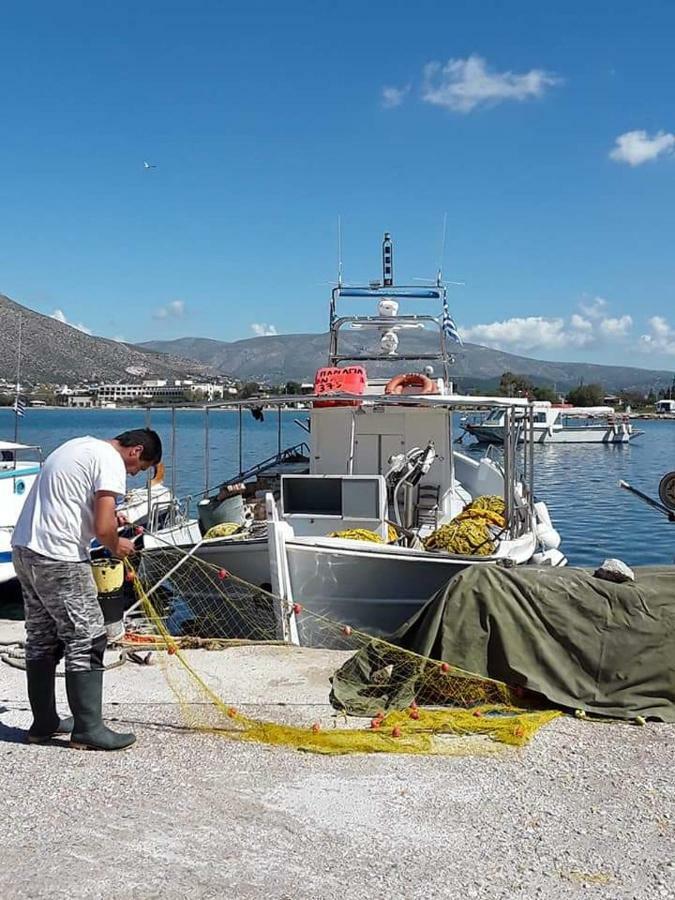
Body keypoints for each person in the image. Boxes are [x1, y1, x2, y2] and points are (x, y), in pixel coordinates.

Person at [12, 428, 162, 751]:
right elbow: (103, 529)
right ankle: (88, 729)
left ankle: (44, 723)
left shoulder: (80, 445)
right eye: (141, 468)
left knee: (42, 637)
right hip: (58, 557)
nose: (135, 474)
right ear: (135, 451)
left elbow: (75, 505)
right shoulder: (111, 461)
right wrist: (115, 543)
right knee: (89, 636)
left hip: (25, 549)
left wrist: (109, 525)